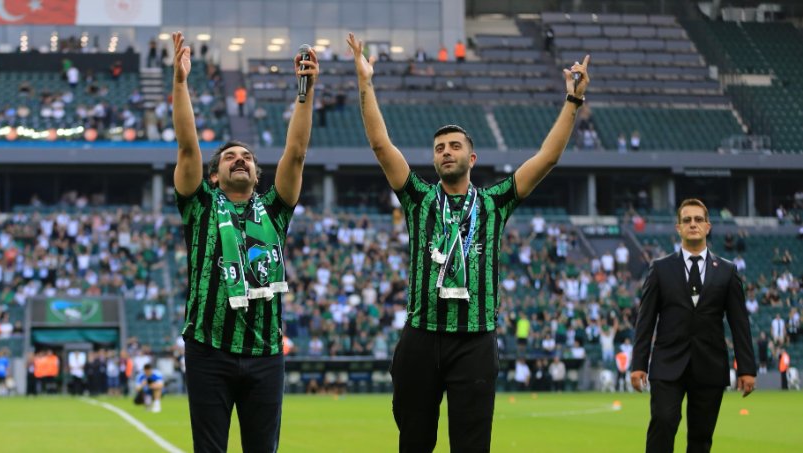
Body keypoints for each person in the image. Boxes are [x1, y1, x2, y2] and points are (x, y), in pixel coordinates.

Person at [347, 32, 590, 452]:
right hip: (421, 337)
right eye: (440, 148)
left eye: (455, 146)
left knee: (472, 445)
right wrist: (365, 83)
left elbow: (547, 158)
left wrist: (572, 101)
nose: (446, 152)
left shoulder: (494, 202)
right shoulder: (419, 198)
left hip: (475, 339)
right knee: (413, 442)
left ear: (471, 158)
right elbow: (381, 145)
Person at [171, 31, 318, 452]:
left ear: (256, 174)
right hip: (208, 350)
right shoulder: (200, 204)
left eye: (248, 157)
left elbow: (296, 152)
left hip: (266, 352)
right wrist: (180, 83)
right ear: (214, 175)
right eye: (230, 157)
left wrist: (305, 90)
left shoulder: (274, 208)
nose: (240, 159)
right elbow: (188, 148)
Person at [631, 198, 756, 453]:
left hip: (710, 364)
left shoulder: (727, 271)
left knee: (701, 438)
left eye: (699, 219)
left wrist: (746, 368)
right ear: (678, 228)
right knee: (663, 422)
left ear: (708, 227)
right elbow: (645, 321)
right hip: (667, 364)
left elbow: (739, 323)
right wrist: (638, 364)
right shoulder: (660, 269)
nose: (693, 224)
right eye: (686, 220)